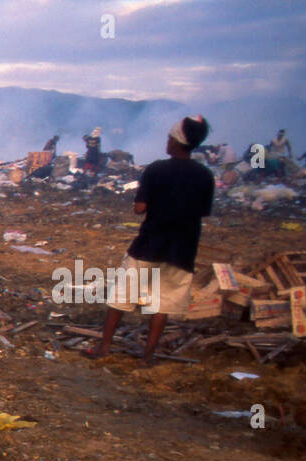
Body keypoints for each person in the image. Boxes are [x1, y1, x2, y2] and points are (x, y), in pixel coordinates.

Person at [88, 116, 213, 365]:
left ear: (177, 142)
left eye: (169, 138)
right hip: (182, 249)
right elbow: (202, 211)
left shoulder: (156, 169)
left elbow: (140, 207)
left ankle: (105, 346)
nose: (166, 141)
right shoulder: (205, 175)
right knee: (162, 303)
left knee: (122, 296)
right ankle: (148, 356)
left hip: (149, 244)